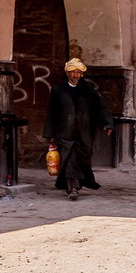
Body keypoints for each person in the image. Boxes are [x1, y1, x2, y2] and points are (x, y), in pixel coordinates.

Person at [43, 58, 114, 201]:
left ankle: (77, 184)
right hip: (65, 132)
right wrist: (50, 133)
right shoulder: (58, 90)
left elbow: (101, 107)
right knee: (69, 157)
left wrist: (108, 123)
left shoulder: (88, 90)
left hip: (84, 132)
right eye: (72, 72)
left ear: (82, 74)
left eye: (78, 72)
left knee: (82, 158)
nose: (75, 75)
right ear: (67, 73)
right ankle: (72, 187)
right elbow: (51, 112)